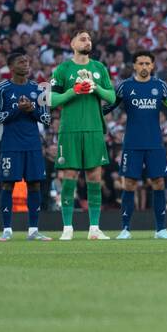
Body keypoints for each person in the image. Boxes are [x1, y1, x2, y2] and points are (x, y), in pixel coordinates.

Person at [49, 29, 116, 240]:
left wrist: (95, 88)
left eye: (89, 39)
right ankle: (67, 227)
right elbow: (51, 100)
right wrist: (73, 91)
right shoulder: (62, 69)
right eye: (83, 39)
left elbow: (112, 97)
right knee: (69, 177)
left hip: (94, 128)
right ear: (72, 43)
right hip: (69, 129)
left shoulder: (99, 68)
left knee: (95, 177)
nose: (87, 42)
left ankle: (94, 228)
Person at [107, 50, 167, 239]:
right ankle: (125, 229)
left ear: (153, 66)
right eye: (141, 63)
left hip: (155, 143)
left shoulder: (161, 87)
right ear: (134, 66)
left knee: (159, 182)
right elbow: (109, 106)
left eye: (148, 63)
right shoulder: (125, 87)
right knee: (129, 184)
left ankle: (161, 229)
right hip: (132, 143)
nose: (144, 67)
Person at [0, 50, 52, 241]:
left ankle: (33, 230)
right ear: (11, 66)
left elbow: (47, 118)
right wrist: (17, 108)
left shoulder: (39, 88)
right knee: (7, 185)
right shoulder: (2, 88)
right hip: (11, 144)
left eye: (27, 61)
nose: (26, 64)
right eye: (21, 61)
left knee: (34, 185)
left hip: (32, 144)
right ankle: (7, 229)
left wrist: (32, 109)